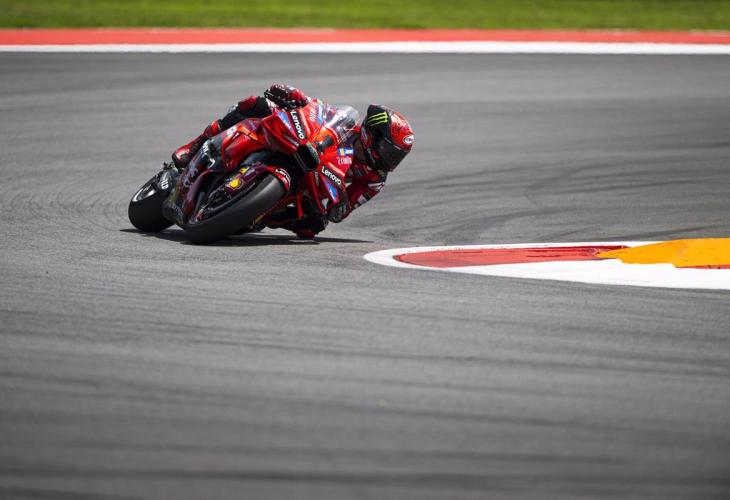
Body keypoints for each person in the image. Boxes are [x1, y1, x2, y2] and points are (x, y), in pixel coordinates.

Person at [170, 84, 414, 238]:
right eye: (389, 151)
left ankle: (258, 215)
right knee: (257, 105)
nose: (390, 160)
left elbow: (341, 212)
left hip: (313, 184)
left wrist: (336, 202)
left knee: (313, 226)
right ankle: (195, 146)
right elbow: (317, 109)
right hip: (302, 144)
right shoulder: (347, 123)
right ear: (373, 134)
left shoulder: (375, 179)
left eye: (397, 157)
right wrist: (296, 96)